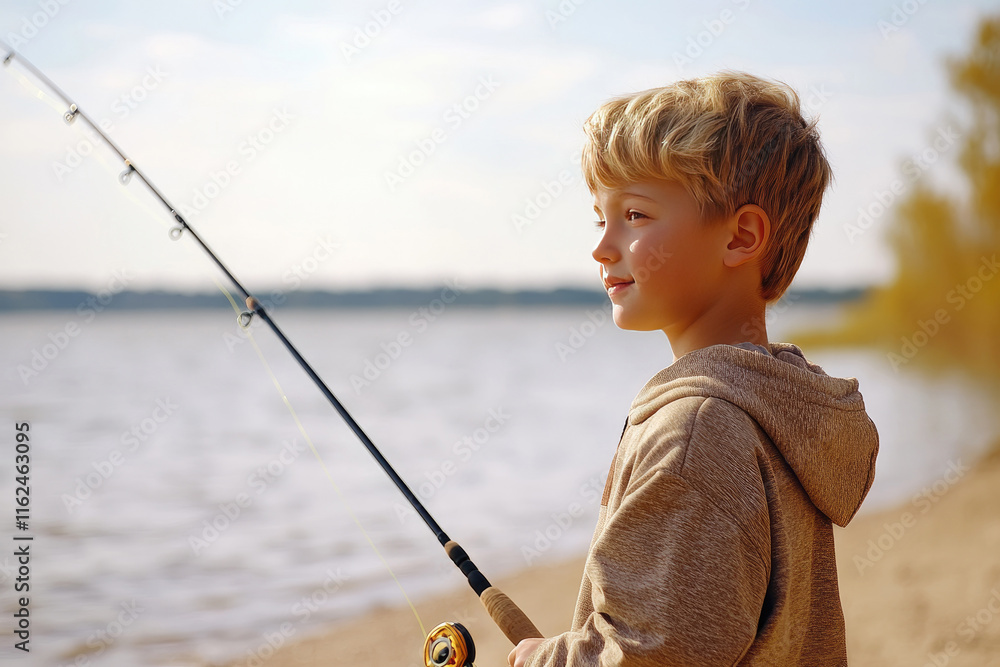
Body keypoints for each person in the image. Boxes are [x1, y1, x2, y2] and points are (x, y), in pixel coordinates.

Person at [508, 71, 879, 666]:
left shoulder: (697, 432)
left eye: (634, 215)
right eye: (598, 218)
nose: (603, 247)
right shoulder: (776, 411)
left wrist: (539, 660)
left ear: (741, 237)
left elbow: (652, 655)